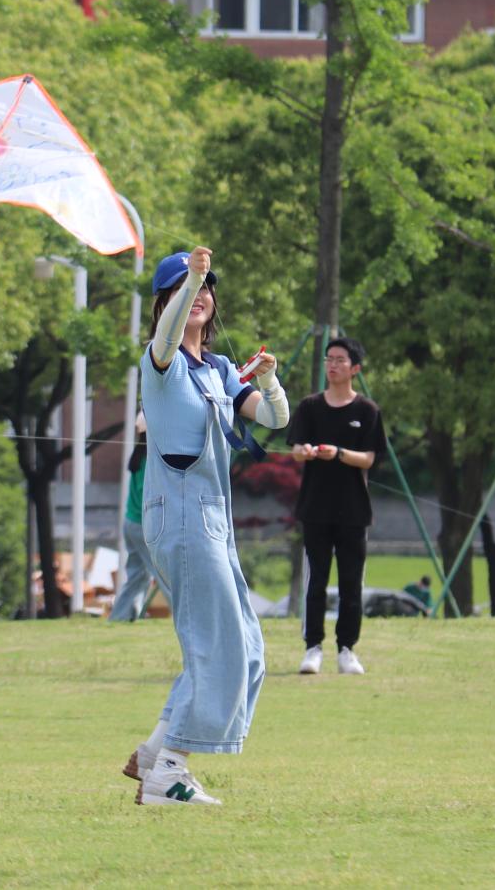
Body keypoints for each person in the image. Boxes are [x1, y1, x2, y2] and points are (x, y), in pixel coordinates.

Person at [123, 247, 289, 807]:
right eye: (181, 290)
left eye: (204, 289)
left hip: (213, 521)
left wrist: (269, 380)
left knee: (247, 646)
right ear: (165, 303)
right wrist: (192, 277)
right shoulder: (160, 359)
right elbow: (169, 335)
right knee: (217, 645)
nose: (197, 296)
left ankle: (154, 753)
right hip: (180, 517)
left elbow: (275, 418)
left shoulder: (217, 369)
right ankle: (169, 774)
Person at [289, 336, 385, 676]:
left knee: (351, 584)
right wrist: (304, 451)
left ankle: (347, 649)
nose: (332, 365)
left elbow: (369, 459)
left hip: (353, 510)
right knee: (315, 582)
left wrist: (339, 453)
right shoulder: (309, 407)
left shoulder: (367, 411)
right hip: (315, 508)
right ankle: (312, 647)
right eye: (329, 359)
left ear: (355, 368)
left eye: (340, 360)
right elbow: (295, 448)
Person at [108, 416, 157, 623]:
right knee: (163, 573)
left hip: (131, 523)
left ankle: (120, 617)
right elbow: (149, 493)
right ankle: (183, 617)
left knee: (138, 574)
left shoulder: (138, 457)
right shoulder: (150, 461)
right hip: (142, 525)